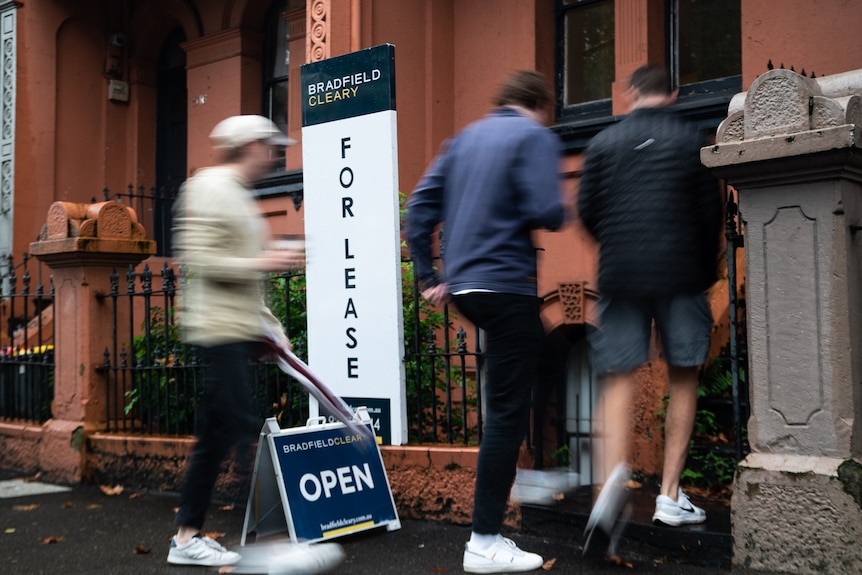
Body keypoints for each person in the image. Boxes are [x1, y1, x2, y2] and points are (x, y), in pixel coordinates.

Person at [406, 70, 567, 574]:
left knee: (541, 356)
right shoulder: (533, 136)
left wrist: (428, 272)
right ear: (541, 103)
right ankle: (484, 538)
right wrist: (557, 206)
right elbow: (547, 209)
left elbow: (418, 209)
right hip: (506, 284)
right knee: (504, 414)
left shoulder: (463, 140)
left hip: (467, 288)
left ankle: (541, 470)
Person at [169, 114, 344, 573]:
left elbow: (244, 275)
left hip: (237, 330)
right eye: (269, 146)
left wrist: (274, 332)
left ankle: (187, 537)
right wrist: (265, 260)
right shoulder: (209, 187)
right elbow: (202, 259)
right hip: (218, 331)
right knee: (243, 428)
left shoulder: (239, 194)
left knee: (217, 436)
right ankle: (266, 547)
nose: (275, 154)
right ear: (248, 145)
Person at [577, 64, 722, 553]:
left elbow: (588, 212)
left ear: (631, 94)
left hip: (621, 274)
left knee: (618, 375)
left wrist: (618, 246)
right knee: (683, 374)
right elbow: (710, 216)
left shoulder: (601, 143)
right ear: (675, 94)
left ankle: (605, 492)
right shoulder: (691, 141)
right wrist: (706, 270)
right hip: (681, 272)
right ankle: (668, 496)